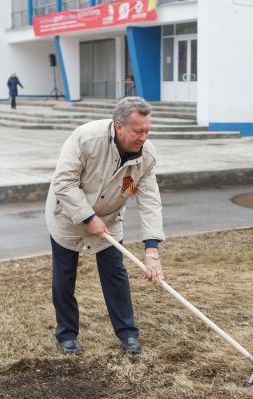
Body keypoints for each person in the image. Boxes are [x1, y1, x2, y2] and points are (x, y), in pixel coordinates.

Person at [45, 96, 165, 356]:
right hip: (67, 214)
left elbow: (149, 201)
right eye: (138, 131)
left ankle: (128, 333)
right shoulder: (86, 139)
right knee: (64, 278)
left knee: (115, 274)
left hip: (109, 220)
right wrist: (88, 218)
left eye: (147, 130)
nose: (143, 137)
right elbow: (63, 183)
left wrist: (152, 249)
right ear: (119, 126)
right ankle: (67, 334)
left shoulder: (147, 156)